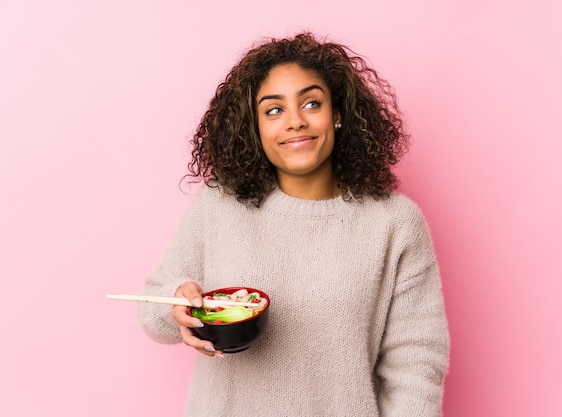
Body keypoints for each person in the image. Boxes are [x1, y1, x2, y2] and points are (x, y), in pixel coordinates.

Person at [138, 32, 449, 417]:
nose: (295, 122)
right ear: (254, 127)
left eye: (311, 103)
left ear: (337, 114)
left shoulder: (394, 224)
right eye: (273, 110)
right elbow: (154, 309)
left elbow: (415, 364)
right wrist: (177, 306)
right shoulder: (219, 205)